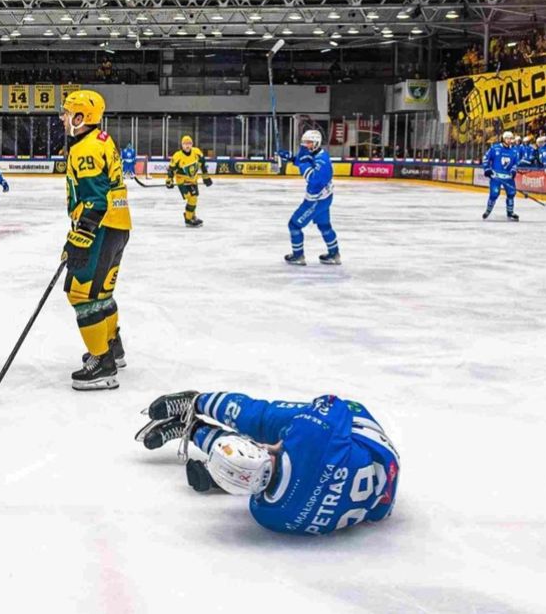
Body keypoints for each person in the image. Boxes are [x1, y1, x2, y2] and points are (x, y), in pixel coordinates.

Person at [134, 390, 399, 537]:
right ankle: (198, 403)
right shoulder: (267, 514)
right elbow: (333, 403)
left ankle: (192, 427)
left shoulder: (267, 516)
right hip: (373, 448)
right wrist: (289, 439)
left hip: (380, 501)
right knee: (265, 419)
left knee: (264, 425)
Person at [59, 89, 130, 391]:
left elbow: (95, 199)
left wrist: (79, 238)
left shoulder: (84, 148)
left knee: (81, 294)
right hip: (117, 225)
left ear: (80, 117)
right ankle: (111, 347)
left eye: (66, 112)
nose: (62, 118)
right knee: (101, 293)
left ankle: (102, 363)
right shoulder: (101, 138)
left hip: (99, 226)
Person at [277, 129, 339, 265]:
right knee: (324, 226)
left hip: (316, 200)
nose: (305, 145)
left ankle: (298, 256)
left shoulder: (322, 160)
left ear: (316, 143)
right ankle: (334, 254)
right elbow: (306, 160)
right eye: (304, 142)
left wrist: (303, 164)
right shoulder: (315, 154)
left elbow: (314, 180)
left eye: (309, 142)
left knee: (294, 225)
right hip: (324, 198)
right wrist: (292, 158)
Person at [165, 134, 212, 227]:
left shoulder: (197, 152)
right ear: (182, 145)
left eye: (189, 143)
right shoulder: (177, 156)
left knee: (194, 198)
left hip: (193, 180)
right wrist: (169, 180)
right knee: (192, 198)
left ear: (192, 144)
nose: (187, 145)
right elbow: (171, 170)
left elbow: (202, 165)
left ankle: (192, 216)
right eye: (185, 143)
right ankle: (188, 218)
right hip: (182, 181)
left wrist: (206, 178)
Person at [482, 130, 520, 221]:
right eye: (507, 138)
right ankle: (488, 210)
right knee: (494, 194)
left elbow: (515, 163)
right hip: (496, 176)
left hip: (508, 177)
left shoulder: (514, 150)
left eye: (510, 138)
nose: (509, 140)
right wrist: (487, 169)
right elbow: (485, 158)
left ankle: (510, 212)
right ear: (503, 139)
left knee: (511, 193)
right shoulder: (495, 148)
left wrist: (514, 171)